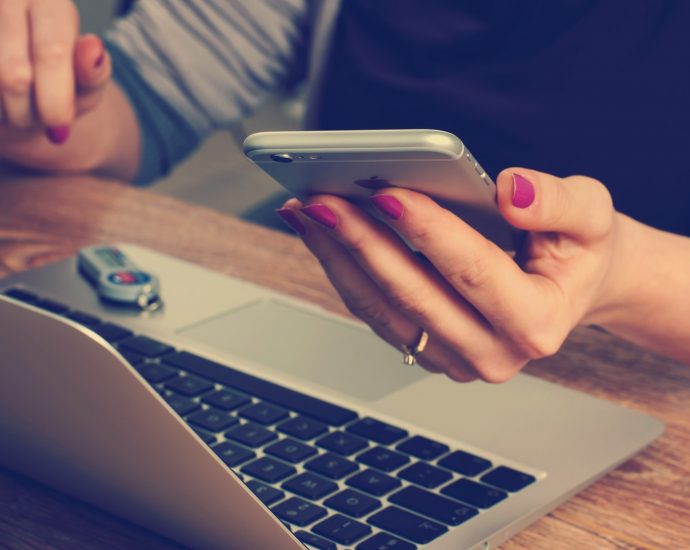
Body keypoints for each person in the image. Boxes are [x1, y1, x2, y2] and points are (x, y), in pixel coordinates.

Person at [0, 0, 688, 381]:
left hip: (636, 393)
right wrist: (45, 103)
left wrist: (625, 274)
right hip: (323, 334)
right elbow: (150, 95)